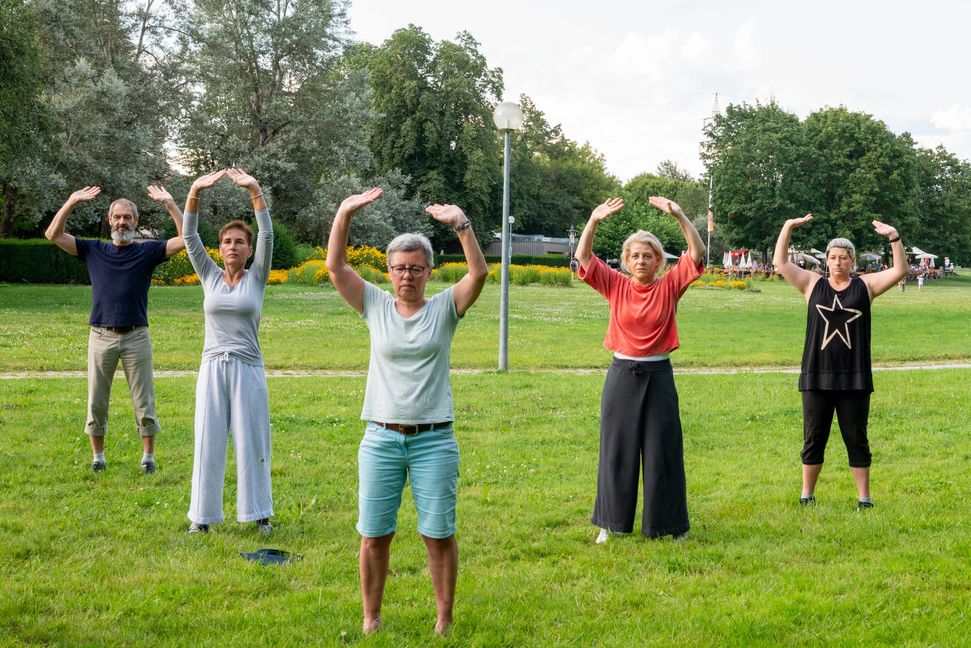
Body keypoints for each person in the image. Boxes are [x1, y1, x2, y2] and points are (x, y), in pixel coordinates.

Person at [326, 188, 488, 636]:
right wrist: (345, 211)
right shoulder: (375, 305)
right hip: (381, 437)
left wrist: (462, 224)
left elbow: (479, 273)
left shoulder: (444, 310)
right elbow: (336, 267)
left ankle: (443, 620)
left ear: (429, 271)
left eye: (416, 269)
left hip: (434, 439)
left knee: (438, 533)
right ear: (389, 270)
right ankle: (371, 618)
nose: (407, 276)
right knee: (374, 534)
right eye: (399, 268)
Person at [575, 196, 706, 544]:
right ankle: (610, 523)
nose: (641, 260)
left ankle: (669, 526)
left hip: (659, 376)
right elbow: (584, 258)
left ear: (658, 260)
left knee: (663, 451)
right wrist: (593, 220)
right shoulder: (615, 284)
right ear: (626, 261)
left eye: (648, 255)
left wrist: (679, 214)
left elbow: (696, 253)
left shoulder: (670, 285)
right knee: (617, 451)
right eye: (634, 255)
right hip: (621, 376)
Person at [45, 185, 185, 474]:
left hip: (137, 335)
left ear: (135, 221)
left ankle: (148, 458)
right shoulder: (93, 249)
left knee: (144, 400)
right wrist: (72, 200)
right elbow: (53, 234)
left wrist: (170, 204)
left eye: (128, 218)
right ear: (109, 220)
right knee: (96, 400)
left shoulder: (148, 252)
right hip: (100, 335)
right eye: (117, 217)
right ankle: (98, 458)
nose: (122, 222)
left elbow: (187, 239)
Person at [772, 214, 906, 510]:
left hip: (853, 379)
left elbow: (899, 270)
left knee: (856, 438)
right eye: (832, 257)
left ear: (852, 261)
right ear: (826, 260)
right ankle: (807, 495)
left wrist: (894, 237)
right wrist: (788, 227)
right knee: (813, 437)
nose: (837, 262)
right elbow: (780, 263)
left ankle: (864, 499)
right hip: (816, 377)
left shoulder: (865, 287)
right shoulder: (812, 284)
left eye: (843, 257)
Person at [182, 169, 275, 535]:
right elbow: (189, 236)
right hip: (212, 367)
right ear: (219, 249)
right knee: (208, 439)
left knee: (253, 439)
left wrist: (254, 189)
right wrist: (194, 192)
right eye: (227, 242)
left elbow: (266, 231)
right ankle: (201, 518)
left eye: (239, 242)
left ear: (249, 250)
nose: (233, 246)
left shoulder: (257, 276)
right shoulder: (209, 275)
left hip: (248, 368)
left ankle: (259, 514)